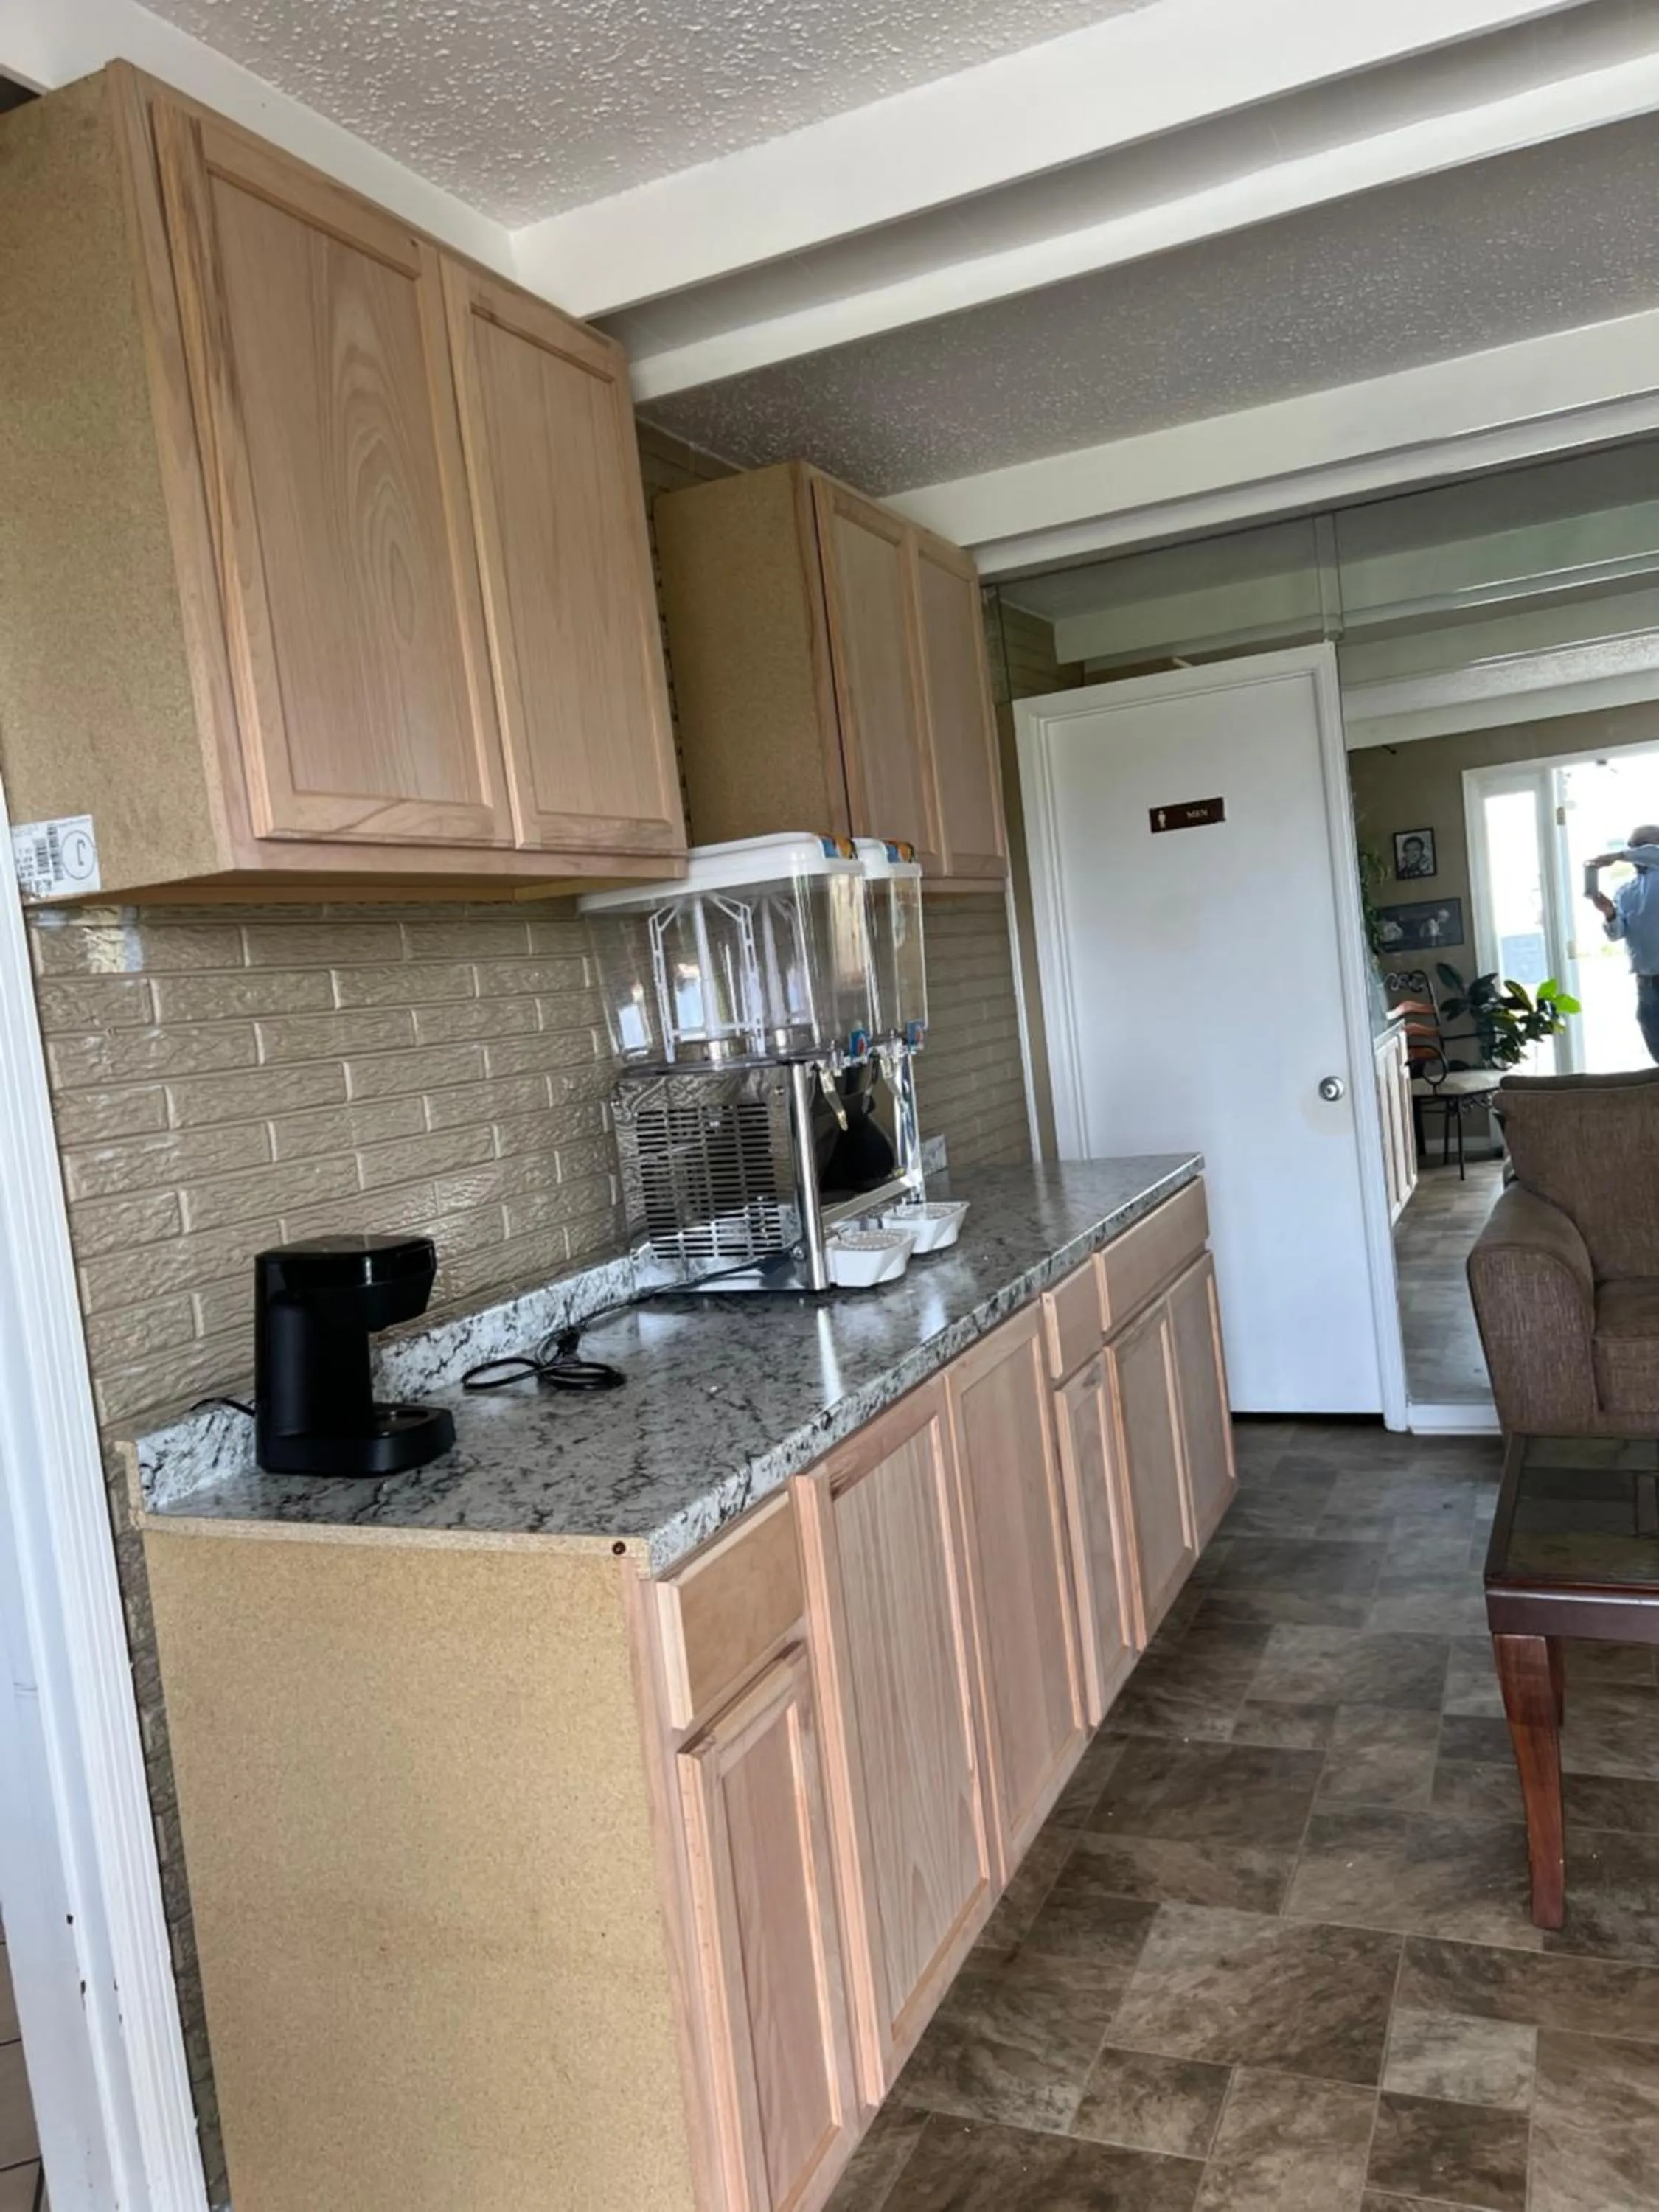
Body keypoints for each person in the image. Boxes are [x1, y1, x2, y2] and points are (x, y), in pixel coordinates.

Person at [1590, 822, 1659, 1062]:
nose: (1634, 850)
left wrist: (1618, 856)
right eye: (1631, 845)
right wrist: (1609, 913)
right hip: (1646, 983)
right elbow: (1617, 933)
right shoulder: (1626, 892)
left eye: (1641, 845)